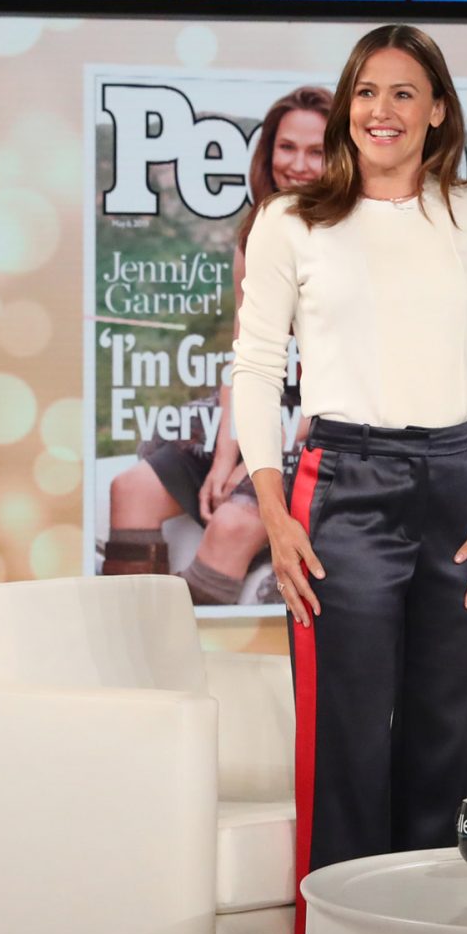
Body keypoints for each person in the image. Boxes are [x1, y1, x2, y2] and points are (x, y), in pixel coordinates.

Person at [233, 24, 467, 934]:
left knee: (444, 752)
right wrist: (273, 511)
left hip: (458, 485)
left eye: (404, 93)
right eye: (367, 92)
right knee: (347, 753)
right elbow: (255, 365)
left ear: (438, 110)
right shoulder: (294, 222)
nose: (382, 111)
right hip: (342, 489)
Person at [101, 85, 331, 604]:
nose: (298, 165)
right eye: (287, 147)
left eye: (316, 151)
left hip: (326, 421)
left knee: (230, 523)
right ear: (268, 154)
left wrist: (257, 459)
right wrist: (227, 455)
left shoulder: (353, 244)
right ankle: (132, 639)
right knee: (129, 489)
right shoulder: (255, 239)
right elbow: (244, 358)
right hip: (262, 403)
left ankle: (182, 638)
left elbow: (354, 385)